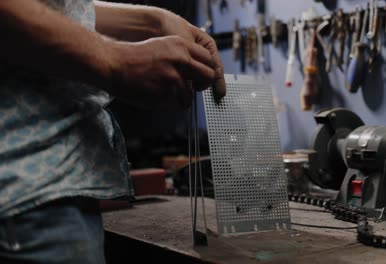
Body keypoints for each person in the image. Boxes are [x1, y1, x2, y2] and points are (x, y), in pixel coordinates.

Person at [0, 0, 226, 263]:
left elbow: (64, 8)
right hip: (26, 195)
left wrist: (153, 21)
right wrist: (117, 60)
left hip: (43, 193)